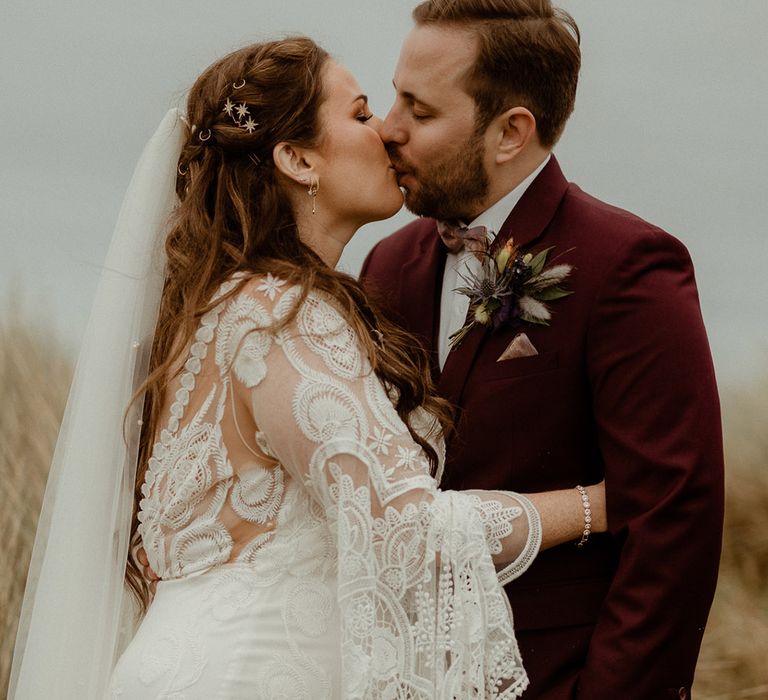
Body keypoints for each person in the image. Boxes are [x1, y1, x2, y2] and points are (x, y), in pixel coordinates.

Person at [10, 37, 608, 699]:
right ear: (295, 159)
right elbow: (410, 529)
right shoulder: (282, 316)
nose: (384, 129)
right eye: (358, 114)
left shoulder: (207, 314)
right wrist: (597, 506)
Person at [360, 1, 724, 698]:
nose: (389, 128)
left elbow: (673, 517)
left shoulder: (628, 267)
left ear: (511, 133)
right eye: (393, 97)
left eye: (421, 110)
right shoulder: (387, 265)